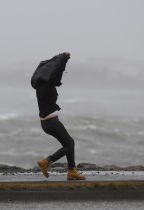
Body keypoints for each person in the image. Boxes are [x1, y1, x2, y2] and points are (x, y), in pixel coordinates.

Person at [31, 52, 86, 180]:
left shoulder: (40, 85)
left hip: (47, 122)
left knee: (69, 143)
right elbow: (56, 72)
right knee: (69, 144)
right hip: (51, 123)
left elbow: (47, 64)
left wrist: (60, 56)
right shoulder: (47, 85)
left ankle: (72, 171)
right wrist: (64, 58)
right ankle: (47, 162)